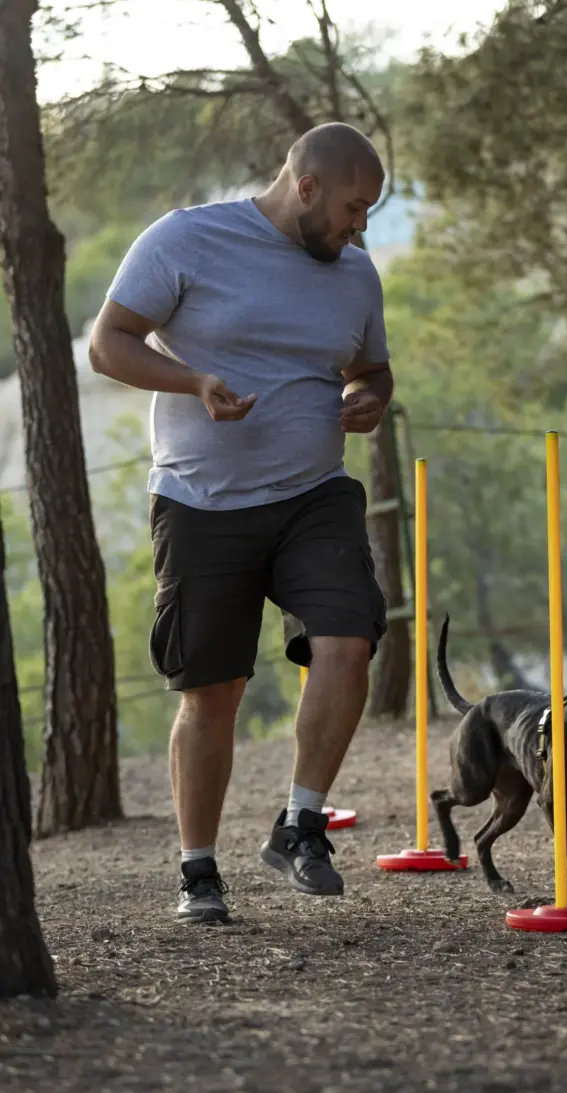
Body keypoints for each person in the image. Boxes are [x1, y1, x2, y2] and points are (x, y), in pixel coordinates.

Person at [89, 122, 393, 923]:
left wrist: (371, 398)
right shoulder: (187, 239)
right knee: (212, 692)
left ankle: (302, 823)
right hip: (201, 503)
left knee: (349, 636)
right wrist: (192, 381)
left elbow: (372, 367)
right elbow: (107, 344)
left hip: (312, 494)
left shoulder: (356, 274)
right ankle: (198, 872)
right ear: (305, 188)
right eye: (354, 208)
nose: (361, 226)